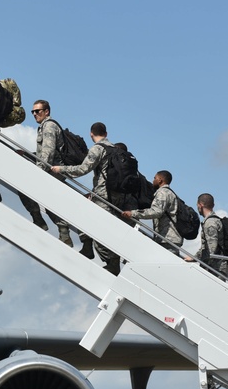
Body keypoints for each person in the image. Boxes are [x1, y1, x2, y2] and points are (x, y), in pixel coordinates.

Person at [52, 122, 122, 275]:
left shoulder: (98, 149)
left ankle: (111, 262)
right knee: (105, 229)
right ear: (106, 133)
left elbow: (82, 169)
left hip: (102, 196)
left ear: (91, 134)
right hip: (116, 197)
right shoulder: (116, 149)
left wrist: (60, 169)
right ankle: (100, 254)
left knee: (96, 228)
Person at [27, 100, 72, 245]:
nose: (34, 114)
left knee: (23, 186)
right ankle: (63, 233)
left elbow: (48, 152)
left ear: (46, 112)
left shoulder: (49, 126)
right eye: (33, 112)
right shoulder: (43, 126)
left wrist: (38, 172)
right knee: (49, 201)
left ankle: (40, 220)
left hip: (53, 170)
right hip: (51, 169)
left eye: (38, 111)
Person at [122, 170, 183, 251]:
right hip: (169, 238)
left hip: (167, 239)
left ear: (160, 180)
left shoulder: (162, 193)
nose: (153, 180)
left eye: (155, 178)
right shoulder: (170, 193)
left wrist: (133, 213)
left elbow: (156, 211)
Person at [185, 193, 228, 277]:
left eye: (197, 205)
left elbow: (211, 249)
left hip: (216, 268)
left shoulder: (210, 223)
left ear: (200, 205)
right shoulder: (214, 220)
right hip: (217, 266)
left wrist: (194, 258)